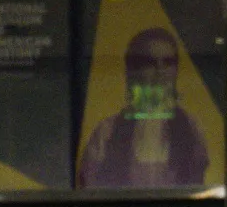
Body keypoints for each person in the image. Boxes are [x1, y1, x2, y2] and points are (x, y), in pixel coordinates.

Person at [77, 27, 211, 189]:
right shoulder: (107, 131)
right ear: (132, 70)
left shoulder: (191, 128)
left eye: (167, 63)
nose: (160, 71)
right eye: (150, 63)